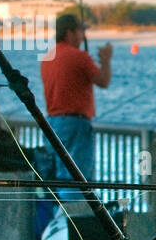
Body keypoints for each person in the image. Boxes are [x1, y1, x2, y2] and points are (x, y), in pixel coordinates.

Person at [39, 12, 111, 180]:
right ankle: (74, 206)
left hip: (52, 123)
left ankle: (59, 206)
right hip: (75, 124)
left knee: (57, 176)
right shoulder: (79, 56)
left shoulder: (48, 57)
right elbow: (103, 81)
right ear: (70, 33)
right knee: (78, 179)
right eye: (80, 31)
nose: (82, 36)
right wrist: (106, 60)